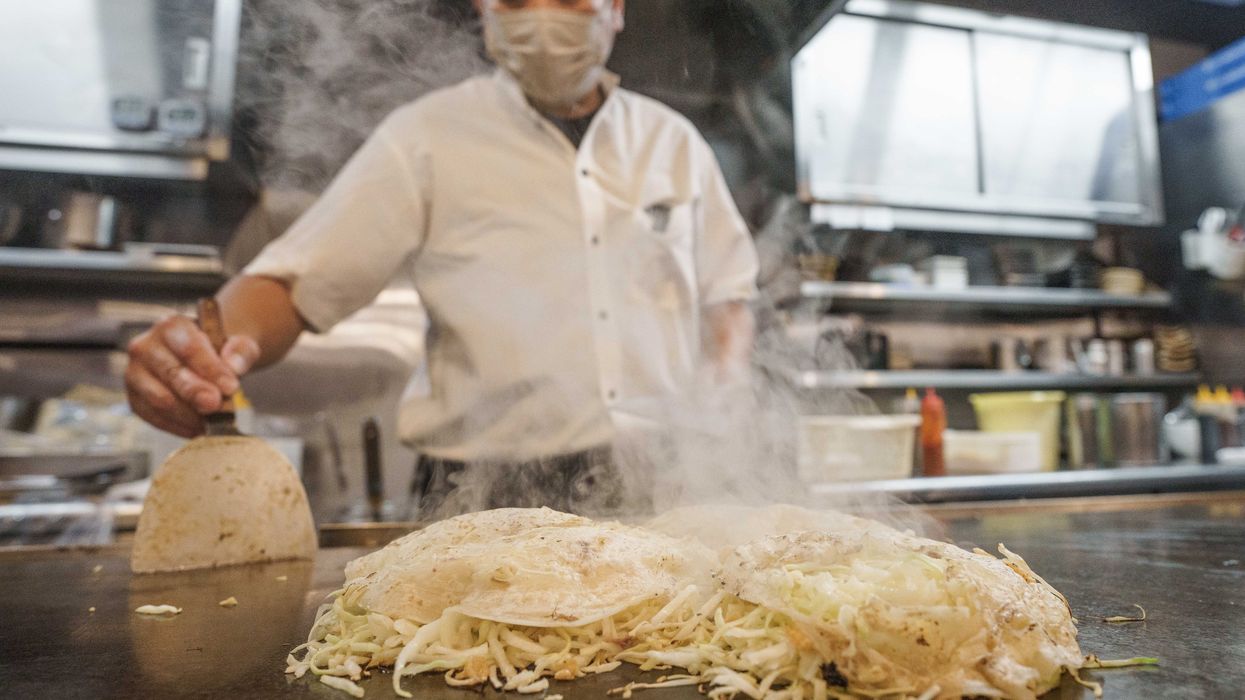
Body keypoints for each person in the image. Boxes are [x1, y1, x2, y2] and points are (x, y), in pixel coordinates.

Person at [124, 0, 760, 518]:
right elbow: (295, 283)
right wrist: (202, 354)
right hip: (484, 493)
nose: (542, 18)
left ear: (616, 8)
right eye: (516, 0)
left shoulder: (672, 143)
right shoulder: (426, 135)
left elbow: (725, 290)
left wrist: (719, 400)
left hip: (657, 485)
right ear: (484, 10)